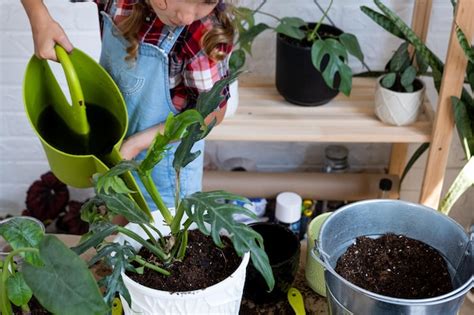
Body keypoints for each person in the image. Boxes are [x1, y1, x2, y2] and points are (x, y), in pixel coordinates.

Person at [20, 0, 234, 209]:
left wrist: (137, 143)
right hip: (112, 154)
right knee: (119, 233)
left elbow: (213, 114)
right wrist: (40, 20)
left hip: (167, 172)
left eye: (207, 1)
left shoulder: (204, 32)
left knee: (161, 238)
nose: (187, 17)